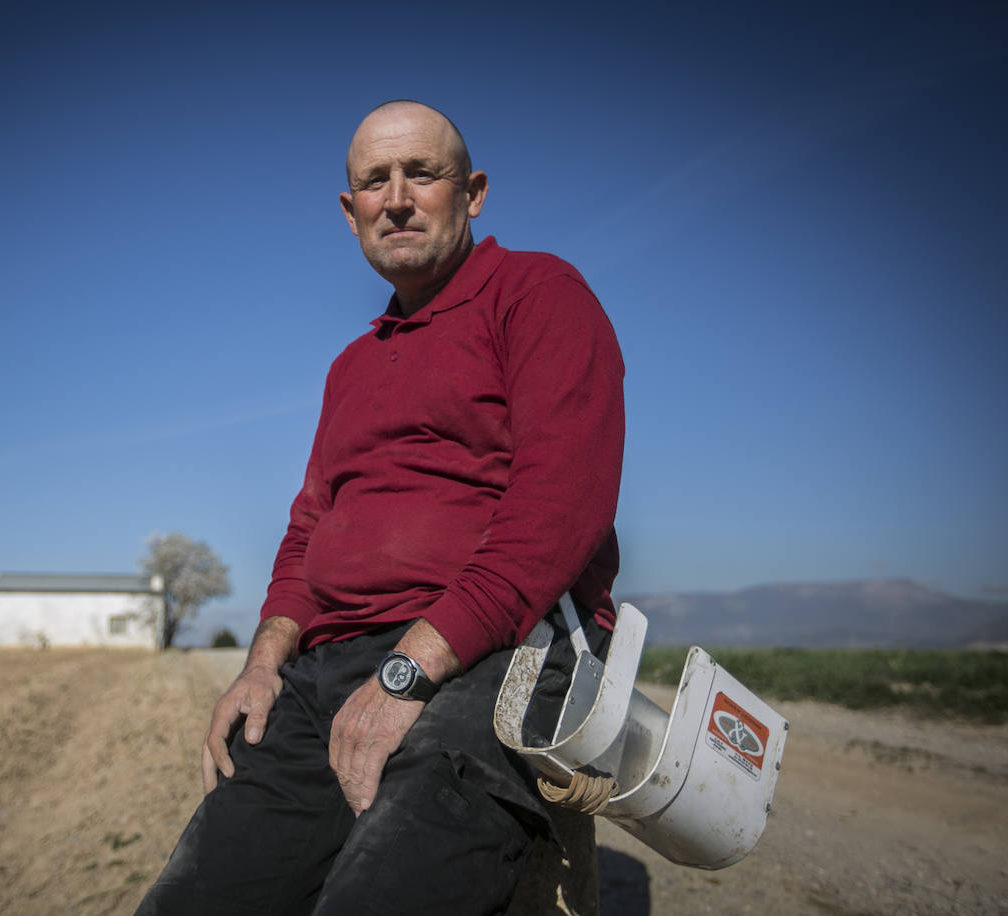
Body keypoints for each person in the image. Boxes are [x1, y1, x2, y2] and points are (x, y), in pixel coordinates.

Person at [136, 100, 624, 916]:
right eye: (374, 181)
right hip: (328, 665)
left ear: (472, 193)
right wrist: (262, 665)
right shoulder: (351, 366)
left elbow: (560, 507)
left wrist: (406, 673)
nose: (396, 197)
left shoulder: (538, 293)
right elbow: (307, 531)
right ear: (350, 210)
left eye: (421, 174)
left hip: (494, 656)